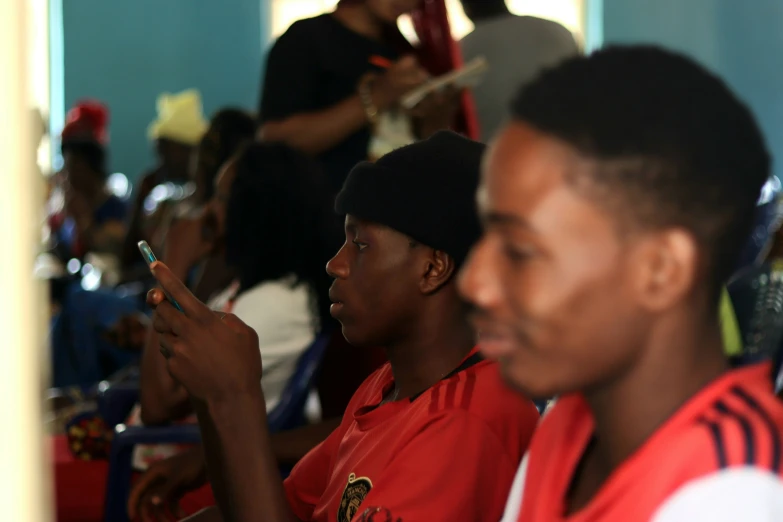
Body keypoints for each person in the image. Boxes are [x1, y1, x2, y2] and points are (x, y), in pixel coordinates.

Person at [458, 46, 783, 521]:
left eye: (520, 250)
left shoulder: (732, 495)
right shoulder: (571, 421)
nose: (475, 283)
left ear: (660, 270)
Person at [146, 131, 539, 522]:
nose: (336, 263)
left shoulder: (463, 425)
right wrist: (207, 391)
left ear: (432, 268)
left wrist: (234, 396)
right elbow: (276, 510)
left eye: (361, 244)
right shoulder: (385, 387)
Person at [135, 143, 333, 458]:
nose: (210, 211)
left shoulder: (277, 303)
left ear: (258, 213)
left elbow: (157, 406)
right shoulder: (246, 287)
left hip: (183, 469)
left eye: (223, 200)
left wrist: (174, 263)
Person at [257, 0, 462, 195]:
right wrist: (378, 95)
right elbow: (276, 140)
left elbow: (415, 149)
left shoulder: (402, 51)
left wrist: (437, 116)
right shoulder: (306, 38)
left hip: (388, 212)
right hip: (320, 216)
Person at [459, 0, 578, 141]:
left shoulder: (462, 50)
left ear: (465, 7)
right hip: (564, 149)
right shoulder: (559, 32)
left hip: (490, 156)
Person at [120, 90, 209, 273]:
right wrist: (139, 200)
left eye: (167, 150)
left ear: (190, 150)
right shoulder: (160, 194)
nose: (161, 160)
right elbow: (127, 258)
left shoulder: (203, 201)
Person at [50, 100, 127, 261]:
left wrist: (84, 220)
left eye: (72, 167)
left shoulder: (116, 210)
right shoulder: (62, 209)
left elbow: (115, 250)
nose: (67, 174)